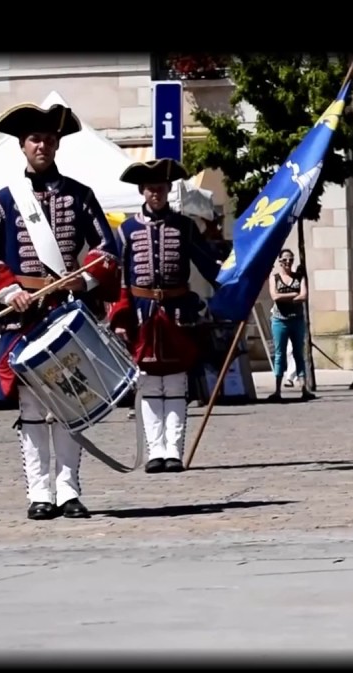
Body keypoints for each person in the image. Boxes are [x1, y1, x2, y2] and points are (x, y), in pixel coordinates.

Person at [0, 102, 122, 520]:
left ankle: (68, 491)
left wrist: (85, 279)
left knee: (68, 405)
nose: (42, 145)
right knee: (33, 411)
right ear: (23, 146)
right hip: (25, 317)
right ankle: (40, 493)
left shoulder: (80, 195)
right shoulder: (3, 202)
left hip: (66, 312)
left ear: (57, 144)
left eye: (48, 139)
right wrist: (9, 292)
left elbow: (106, 249)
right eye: (35, 139)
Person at [107, 158, 222, 474]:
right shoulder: (126, 229)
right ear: (142, 190)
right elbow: (119, 278)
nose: (155, 193)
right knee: (147, 385)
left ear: (168, 189)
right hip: (142, 315)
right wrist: (119, 318)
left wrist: (233, 285)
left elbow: (208, 265)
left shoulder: (185, 226)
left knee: (174, 384)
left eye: (161, 187)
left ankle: (173, 451)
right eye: (150, 188)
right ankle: (155, 451)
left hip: (177, 313)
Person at [267, 249, 313, 401]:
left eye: (291, 259)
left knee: (298, 354)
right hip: (279, 320)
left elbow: (304, 296)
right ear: (279, 261)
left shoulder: (299, 277)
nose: (288, 262)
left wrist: (285, 297)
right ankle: (277, 390)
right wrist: (294, 295)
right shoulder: (274, 278)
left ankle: (304, 389)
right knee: (280, 355)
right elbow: (274, 296)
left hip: (296, 319)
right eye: (285, 259)